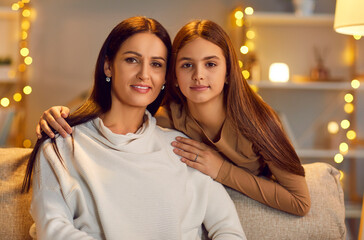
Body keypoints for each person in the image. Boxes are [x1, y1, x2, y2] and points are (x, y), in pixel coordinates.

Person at [36, 19, 311, 216]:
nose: (198, 75)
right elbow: (120, 116)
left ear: (229, 73)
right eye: (186, 65)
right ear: (173, 76)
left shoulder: (258, 120)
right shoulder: (168, 118)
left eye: (211, 64)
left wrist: (221, 170)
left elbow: (301, 202)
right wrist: (60, 115)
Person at [23, 16, 246, 240]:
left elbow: (229, 230)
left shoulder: (182, 147)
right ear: (108, 66)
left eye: (156, 64)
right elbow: (52, 229)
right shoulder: (60, 144)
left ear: (165, 77)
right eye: (132, 60)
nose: (144, 74)